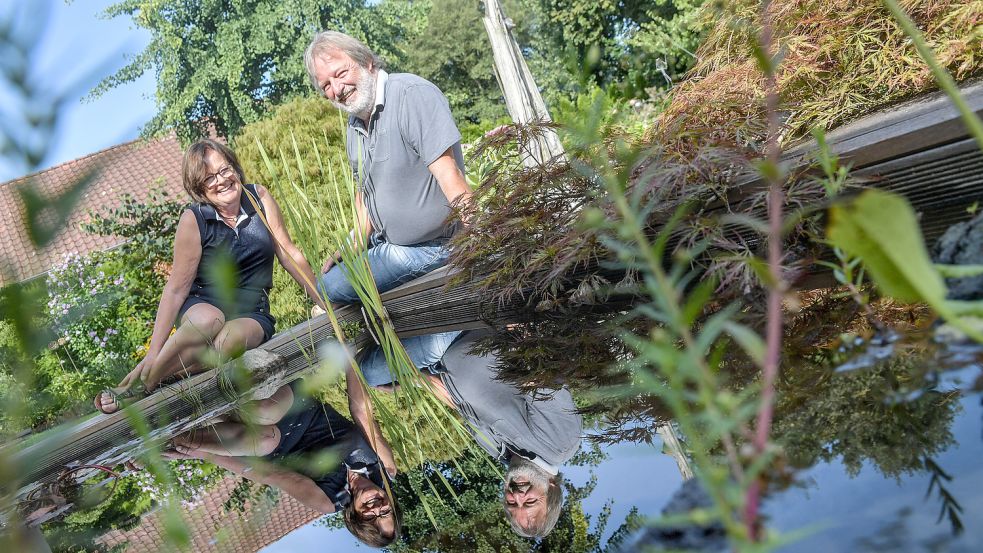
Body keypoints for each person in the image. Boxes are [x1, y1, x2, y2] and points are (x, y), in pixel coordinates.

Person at [94, 139, 326, 413]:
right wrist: (153, 352)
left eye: (225, 170)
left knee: (228, 342)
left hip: (252, 311)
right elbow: (176, 289)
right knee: (208, 320)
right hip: (203, 303)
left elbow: (288, 253)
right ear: (199, 188)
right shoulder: (195, 219)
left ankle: (163, 377)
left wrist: (323, 303)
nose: (221, 180)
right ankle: (144, 385)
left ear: (235, 168)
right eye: (209, 178)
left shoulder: (258, 198)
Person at [352, 330, 583, 538]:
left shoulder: (503, 455)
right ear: (551, 488)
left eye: (512, 504)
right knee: (370, 370)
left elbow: (460, 404)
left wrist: (417, 381)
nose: (517, 495)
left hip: (438, 364)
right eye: (530, 501)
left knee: (375, 378)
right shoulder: (561, 442)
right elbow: (542, 371)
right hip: (471, 333)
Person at [303, 30, 470, 302]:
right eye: (326, 86)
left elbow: (450, 174)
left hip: (438, 246)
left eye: (341, 73)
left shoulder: (410, 95)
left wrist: (486, 244)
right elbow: (366, 196)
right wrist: (352, 243)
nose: (336, 90)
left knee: (328, 287)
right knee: (330, 284)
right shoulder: (354, 125)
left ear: (367, 61)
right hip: (390, 247)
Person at [161, 381, 401, 548]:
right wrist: (349, 354)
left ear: (357, 518)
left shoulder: (329, 501)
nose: (376, 509)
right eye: (385, 512)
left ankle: (173, 439)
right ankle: (200, 399)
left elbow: (268, 474)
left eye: (371, 518)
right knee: (264, 411)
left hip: (270, 442)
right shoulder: (384, 468)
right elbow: (361, 411)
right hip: (298, 406)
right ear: (391, 503)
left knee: (264, 439)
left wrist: (201, 454)